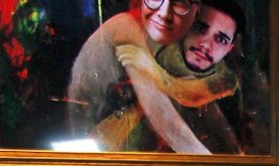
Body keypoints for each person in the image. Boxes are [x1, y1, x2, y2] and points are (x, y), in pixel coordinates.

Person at [67, 0, 236, 154]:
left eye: (178, 3)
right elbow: (166, 121)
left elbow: (189, 95)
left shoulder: (167, 38)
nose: (164, 13)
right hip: (92, 152)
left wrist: (235, 149)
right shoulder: (125, 27)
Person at [114, 0, 246, 154]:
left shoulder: (227, 83)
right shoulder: (155, 48)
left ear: (230, 48)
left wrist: (151, 69)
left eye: (221, 39)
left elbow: (189, 94)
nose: (205, 44)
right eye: (200, 28)